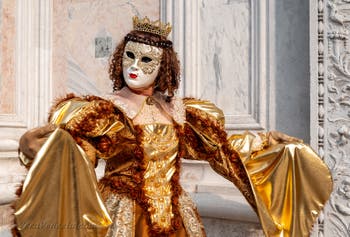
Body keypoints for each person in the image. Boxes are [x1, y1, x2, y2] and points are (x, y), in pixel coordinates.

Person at [13, 16, 333, 237]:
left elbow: (221, 151)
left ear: (163, 66)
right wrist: (41, 144)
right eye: (130, 56)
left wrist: (269, 142)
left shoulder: (178, 111)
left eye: (146, 60)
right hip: (123, 215)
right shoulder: (108, 111)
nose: (135, 67)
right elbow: (79, 153)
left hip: (178, 216)